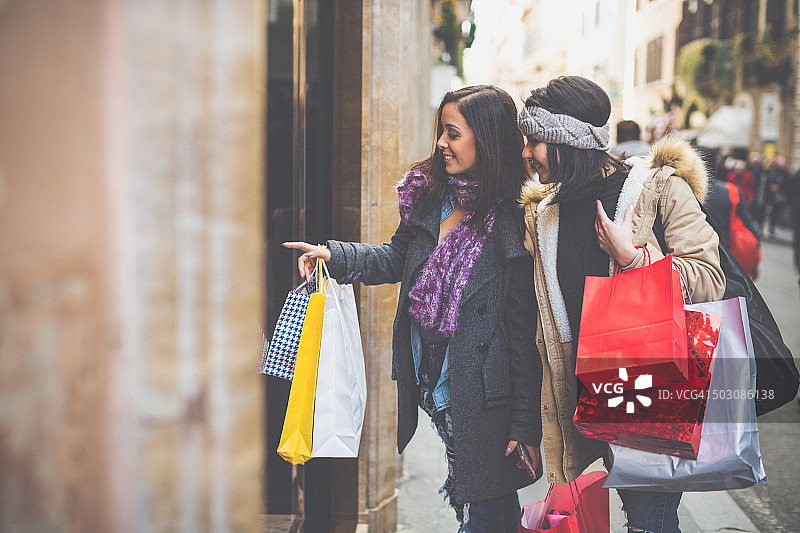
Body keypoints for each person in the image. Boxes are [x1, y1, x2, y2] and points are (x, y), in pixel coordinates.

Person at [285, 85, 543, 532]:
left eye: (452, 133)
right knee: (489, 508)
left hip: (485, 396)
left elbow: (522, 335)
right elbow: (394, 257)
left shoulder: (511, 221)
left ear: (486, 139)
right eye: (441, 132)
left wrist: (525, 423)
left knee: (483, 510)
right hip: (435, 382)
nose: (441, 143)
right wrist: (335, 256)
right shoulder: (432, 196)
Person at [517, 76, 724, 533]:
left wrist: (634, 259)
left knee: (649, 523)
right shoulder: (543, 212)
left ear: (567, 142)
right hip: (577, 401)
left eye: (535, 141)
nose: (526, 152)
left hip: (647, 388)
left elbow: (710, 278)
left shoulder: (658, 189)